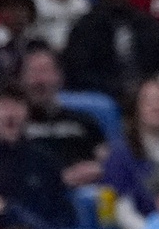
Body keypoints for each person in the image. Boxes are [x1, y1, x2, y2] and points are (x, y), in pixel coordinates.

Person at [60, 0, 159, 102]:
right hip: (102, 102)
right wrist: (119, 90)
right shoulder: (83, 29)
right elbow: (78, 76)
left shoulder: (151, 26)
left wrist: (149, 88)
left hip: (147, 100)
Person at [0, 88, 74, 229]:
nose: (10, 114)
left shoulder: (44, 160)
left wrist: (5, 211)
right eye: (3, 106)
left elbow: (63, 219)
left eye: (17, 106)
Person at [100, 79, 159, 229]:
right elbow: (119, 210)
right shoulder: (119, 155)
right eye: (148, 101)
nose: (156, 107)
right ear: (135, 109)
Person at [18, 47, 106, 188]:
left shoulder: (83, 121)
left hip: (85, 194)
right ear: (21, 79)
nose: (39, 80)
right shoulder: (14, 125)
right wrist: (60, 178)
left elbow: (109, 162)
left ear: (59, 77)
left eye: (45, 71)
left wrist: (98, 168)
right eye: (32, 72)